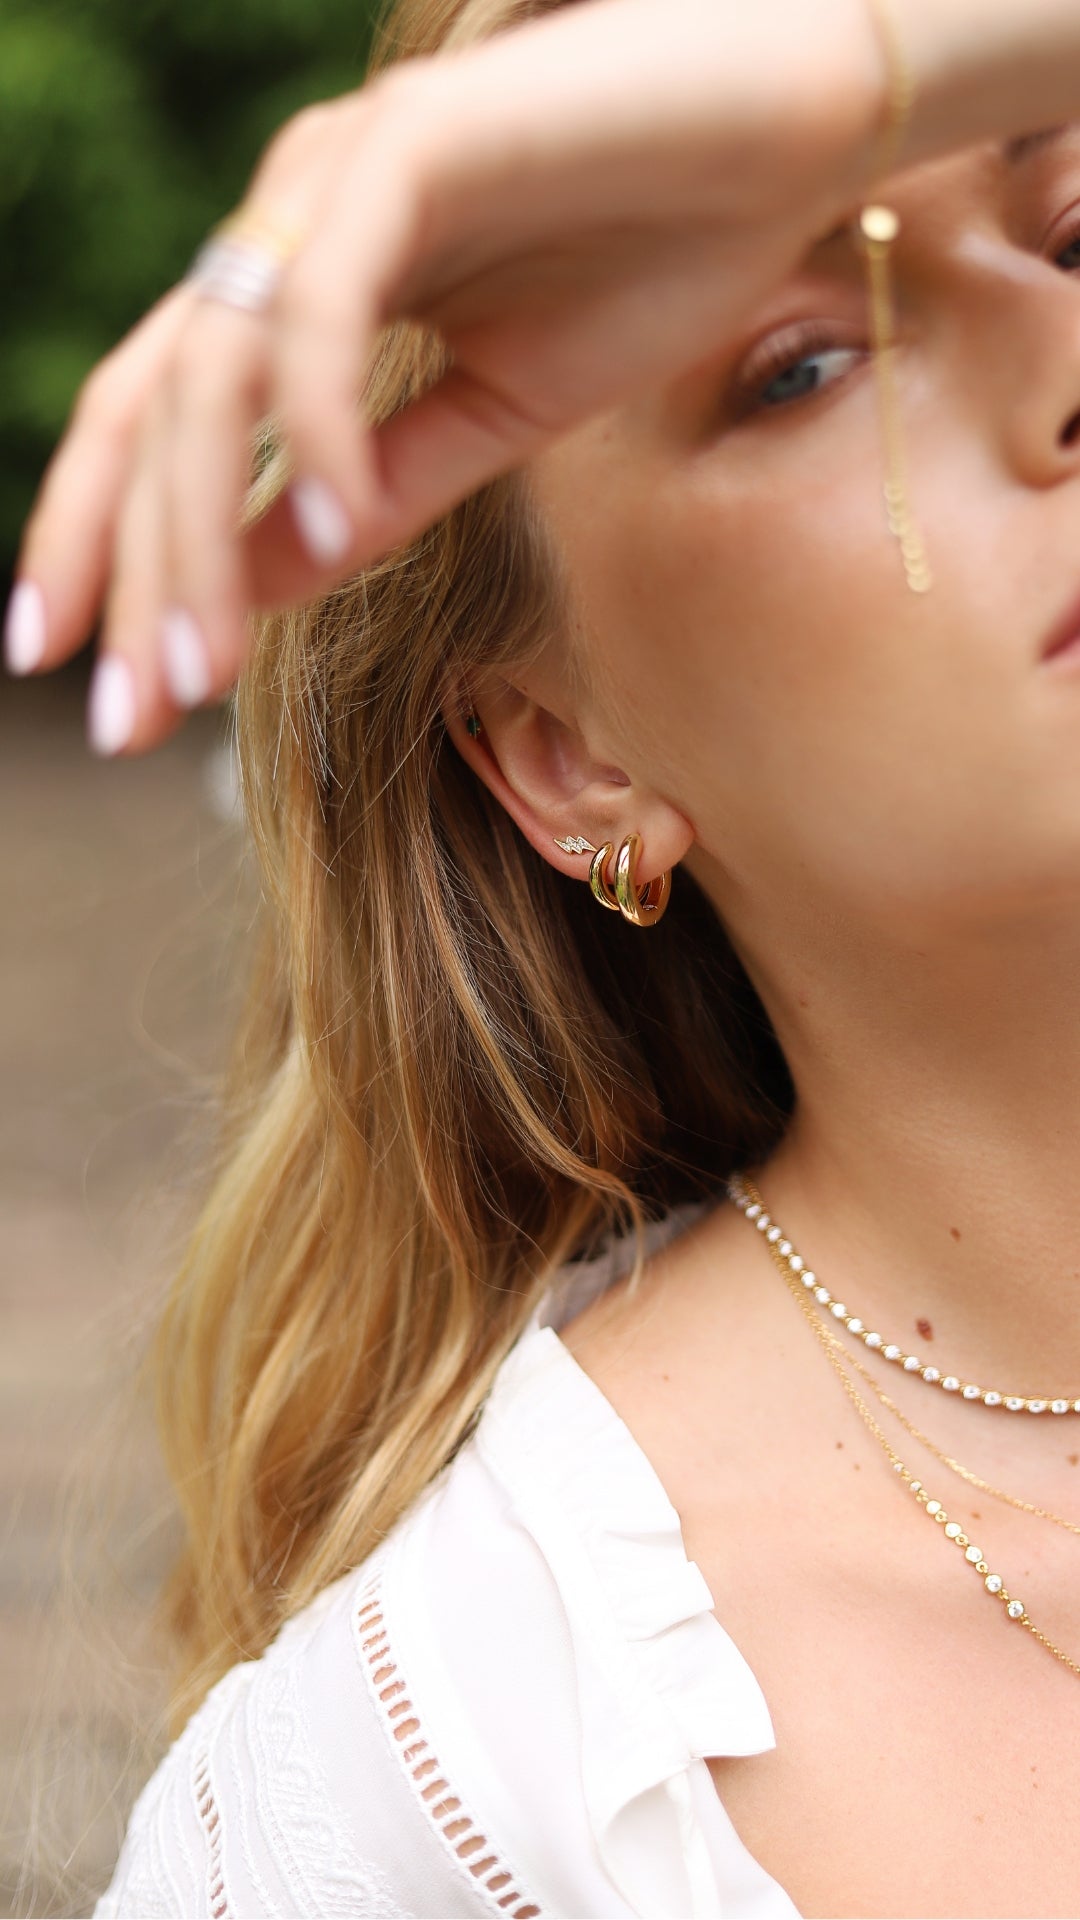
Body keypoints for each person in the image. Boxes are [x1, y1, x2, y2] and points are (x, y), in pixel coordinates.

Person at [7, 0, 1080, 1910]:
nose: (1059, 356)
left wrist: (869, 72)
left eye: (1075, 227)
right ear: (572, 762)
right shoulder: (450, 1797)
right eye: (802, 365)